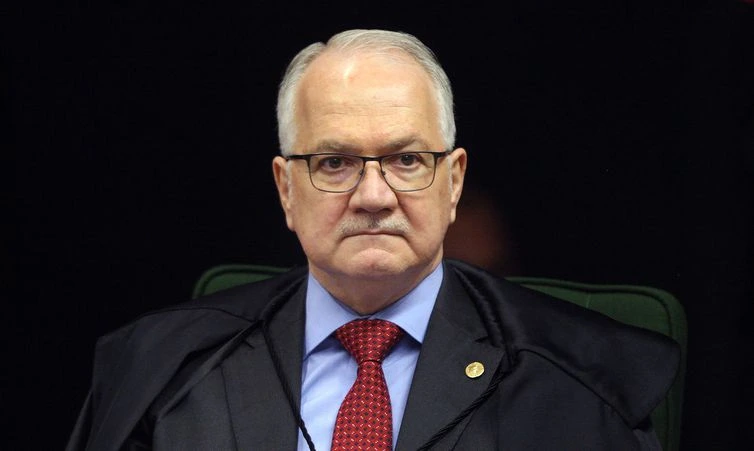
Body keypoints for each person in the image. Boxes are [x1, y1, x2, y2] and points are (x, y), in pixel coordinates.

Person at [66, 29, 680, 451]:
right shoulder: (161, 369)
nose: (374, 196)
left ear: (453, 182)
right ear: (286, 189)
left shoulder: (577, 380)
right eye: (334, 163)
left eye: (407, 160)